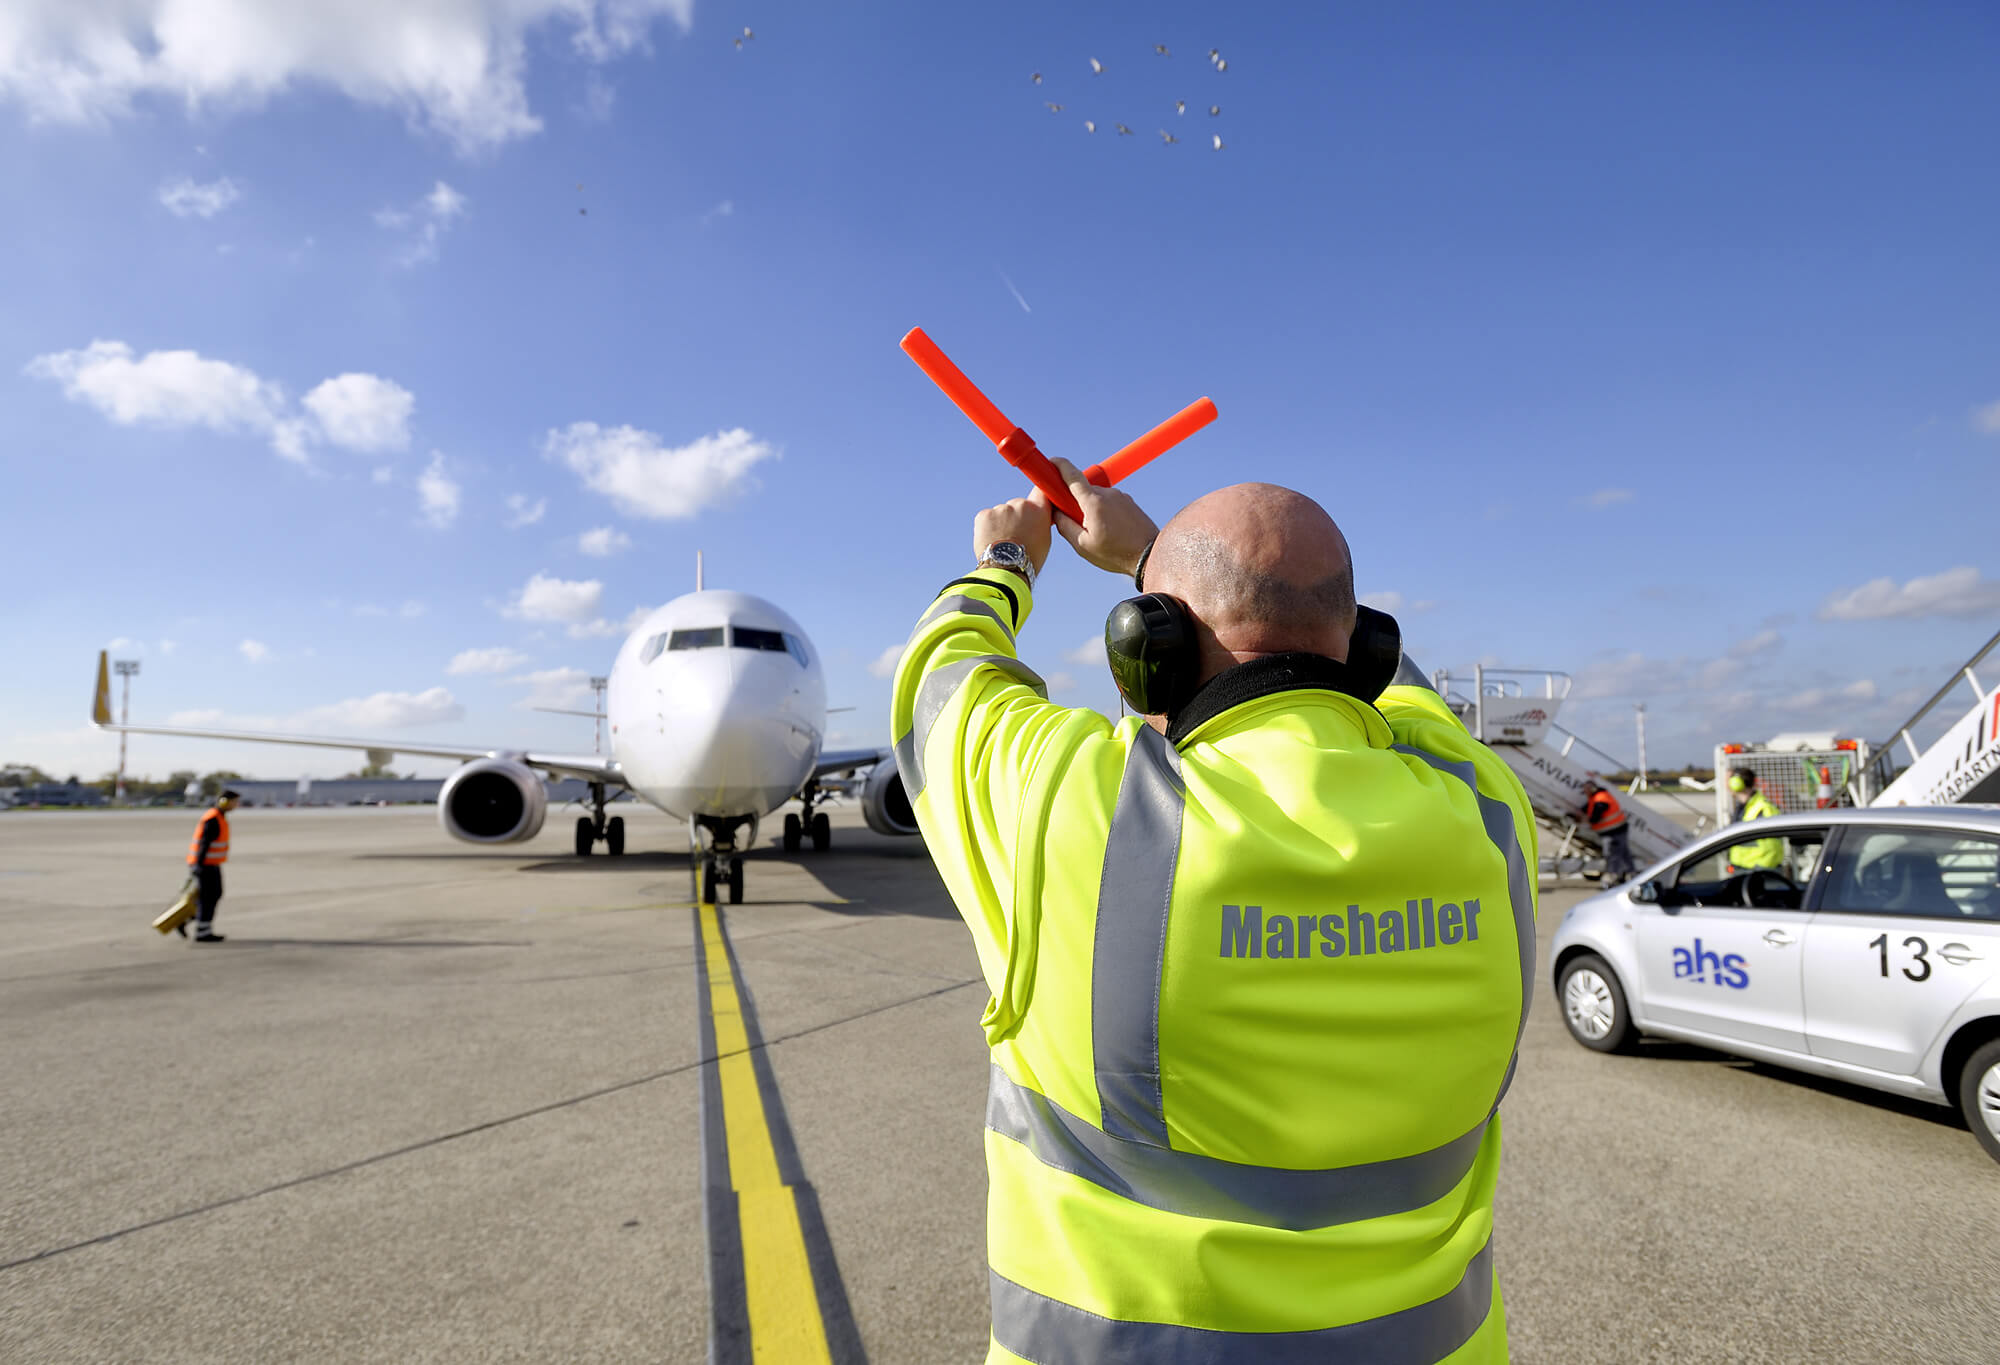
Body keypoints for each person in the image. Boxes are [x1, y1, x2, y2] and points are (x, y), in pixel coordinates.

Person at [891, 461, 1535, 1364]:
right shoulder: (1486, 810)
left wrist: (1008, 556)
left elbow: (939, 685)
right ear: (1366, 648)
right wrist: (1153, 552)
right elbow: (1408, 695)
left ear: (1142, 650)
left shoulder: (1077, 809)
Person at [183, 789, 239, 943]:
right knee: (207, 898)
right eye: (235, 802)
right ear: (224, 802)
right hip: (204, 865)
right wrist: (198, 867)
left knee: (214, 895)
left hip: (211, 864)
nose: (236, 805)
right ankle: (202, 932)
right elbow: (204, 844)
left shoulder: (219, 817)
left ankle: (192, 923)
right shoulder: (213, 819)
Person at [1726, 768, 1783, 874]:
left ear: (1736, 783)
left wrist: (1762, 870)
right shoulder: (1746, 807)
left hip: (1758, 872)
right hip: (1744, 868)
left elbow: (1772, 847)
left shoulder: (1763, 809)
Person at [1579, 777, 1636, 883]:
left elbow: (1596, 816)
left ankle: (1613, 875)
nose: (1585, 794)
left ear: (1591, 789)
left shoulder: (1600, 799)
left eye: (1586, 791)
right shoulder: (1596, 797)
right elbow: (1588, 807)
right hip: (1616, 829)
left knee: (1614, 854)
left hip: (1615, 831)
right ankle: (1631, 872)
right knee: (1623, 853)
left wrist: (1587, 820)